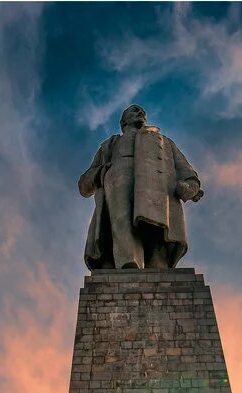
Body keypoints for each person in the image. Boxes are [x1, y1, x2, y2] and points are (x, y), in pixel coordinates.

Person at [78, 104, 204, 271]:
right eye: (135, 110)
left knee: (155, 223)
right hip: (117, 177)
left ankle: (157, 260)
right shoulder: (109, 145)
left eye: (142, 112)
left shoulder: (163, 141)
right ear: (123, 122)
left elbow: (183, 167)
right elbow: (85, 184)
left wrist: (190, 184)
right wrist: (101, 172)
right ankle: (128, 263)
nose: (140, 113)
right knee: (121, 220)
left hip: (156, 181)